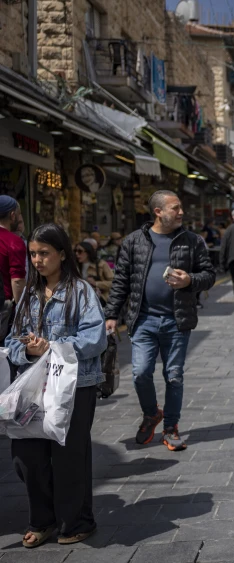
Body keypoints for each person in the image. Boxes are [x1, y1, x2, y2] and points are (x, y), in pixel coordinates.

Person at [7, 223, 107, 548]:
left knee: (69, 457)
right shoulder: (29, 296)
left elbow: (95, 337)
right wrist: (26, 348)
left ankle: (77, 521)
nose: (37, 260)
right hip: (34, 386)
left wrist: (51, 345)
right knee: (26, 457)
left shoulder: (80, 291)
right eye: (33, 254)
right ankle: (43, 519)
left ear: (61, 254)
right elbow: (12, 341)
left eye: (44, 253)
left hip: (75, 386)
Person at [104, 190, 216, 452]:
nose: (181, 212)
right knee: (141, 372)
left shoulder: (192, 241)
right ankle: (152, 414)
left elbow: (209, 275)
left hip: (177, 320)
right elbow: (121, 280)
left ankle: (171, 427)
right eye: (175, 208)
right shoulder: (133, 242)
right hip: (143, 320)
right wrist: (111, 314)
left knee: (174, 375)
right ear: (158, 212)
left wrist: (190, 280)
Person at [0, 195, 27, 327]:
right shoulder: (14, 241)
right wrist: (23, 310)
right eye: (18, 214)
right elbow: (17, 281)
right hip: (4, 309)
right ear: (12, 216)